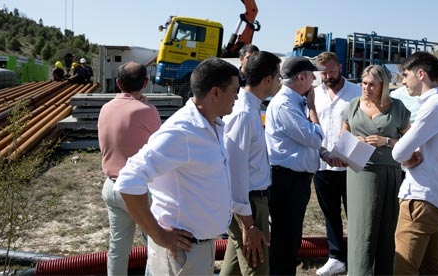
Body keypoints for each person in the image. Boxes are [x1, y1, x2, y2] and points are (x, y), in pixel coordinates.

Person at [114, 58, 239, 275]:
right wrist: (158, 234)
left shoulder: (213, 125)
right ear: (216, 93)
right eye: (234, 91)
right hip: (182, 254)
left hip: (198, 249)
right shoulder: (182, 132)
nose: (237, 97)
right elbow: (128, 180)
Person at [391, 51, 438, 275]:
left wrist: (407, 158)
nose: (403, 81)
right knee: (432, 267)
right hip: (429, 198)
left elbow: (399, 151)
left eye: (405, 75)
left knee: (404, 268)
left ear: (420, 74)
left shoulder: (433, 106)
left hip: (420, 199)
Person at [341, 65, 411, 275]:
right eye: (364, 83)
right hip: (358, 172)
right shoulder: (353, 105)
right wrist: (354, 139)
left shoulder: (397, 108)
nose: (366, 88)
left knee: (387, 226)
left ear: (383, 85)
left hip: (389, 172)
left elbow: (410, 140)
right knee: (362, 227)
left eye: (372, 84)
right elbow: (342, 135)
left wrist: (387, 141)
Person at [220, 51, 281, 276]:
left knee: (234, 269)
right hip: (249, 204)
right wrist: (248, 225)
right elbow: (234, 170)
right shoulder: (244, 114)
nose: (280, 82)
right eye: (278, 77)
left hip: (249, 202)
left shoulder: (251, 109)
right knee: (256, 267)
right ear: (267, 80)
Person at [98, 61, 162, 276]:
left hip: (112, 187)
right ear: (145, 83)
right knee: (155, 246)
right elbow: (160, 148)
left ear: (117, 83)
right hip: (139, 190)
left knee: (118, 247)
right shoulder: (147, 111)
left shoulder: (105, 108)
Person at [265, 56, 324, 275]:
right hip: (286, 180)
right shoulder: (285, 104)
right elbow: (314, 138)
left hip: (293, 179)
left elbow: (306, 143)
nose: (314, 80)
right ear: (301, 77)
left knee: (290, 238)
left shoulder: (292, 101)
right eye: (311, 75)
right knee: (285, 240)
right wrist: (313, 109)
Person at [306, 51, 361, 276]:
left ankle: (358, 257)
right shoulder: (314, 95)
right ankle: (337, 257)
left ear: (340, 67)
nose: (328, 76)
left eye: (331, 71)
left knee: (356, 213)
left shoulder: (356, 92)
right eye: (323, 73)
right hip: (323, 164)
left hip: (350, 165)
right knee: (330, 213)